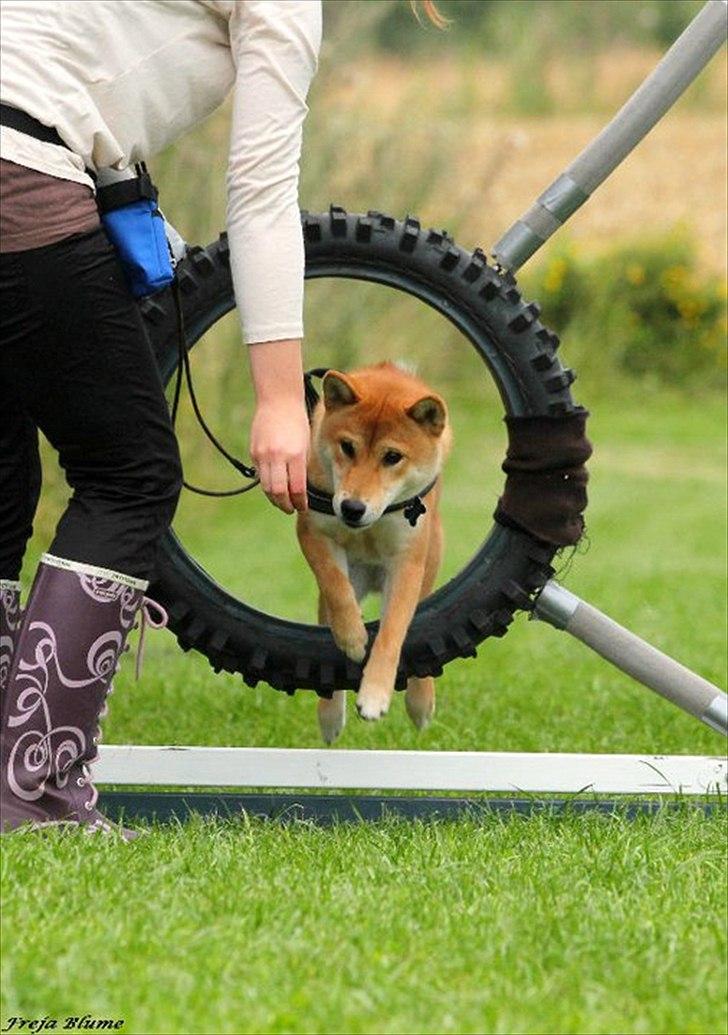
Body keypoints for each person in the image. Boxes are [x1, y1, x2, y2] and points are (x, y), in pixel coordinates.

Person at [0, 0, 444, 838]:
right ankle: (33, 795)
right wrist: (279, 398)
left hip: (26, 150)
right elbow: (261, 195)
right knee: (129, 476)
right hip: (20, 169)